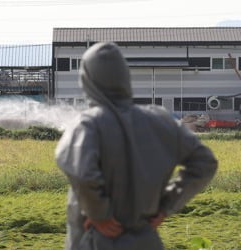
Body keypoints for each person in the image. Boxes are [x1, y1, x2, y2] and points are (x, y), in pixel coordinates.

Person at [55, 42, 218, 250]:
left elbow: (82, 173)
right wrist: (166, 206)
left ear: (87, 80)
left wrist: (99, 214)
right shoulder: (161, 121)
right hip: (146, 240)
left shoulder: (88, 125)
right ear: (125, 77)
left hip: (97, 240)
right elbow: (205, 163)